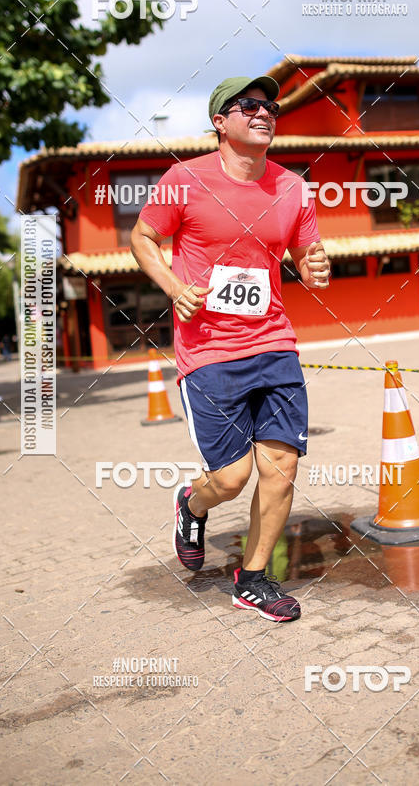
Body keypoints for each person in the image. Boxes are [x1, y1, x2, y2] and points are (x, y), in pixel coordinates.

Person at [131, 75, 330, 623]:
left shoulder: (293, 187)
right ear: (221, 121)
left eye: (271, 106)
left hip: (274, 343)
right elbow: (142, 238)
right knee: (233, 477)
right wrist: (175, 288)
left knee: (281, 466)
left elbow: (308, 257)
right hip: (209, 353)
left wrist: (315, 267)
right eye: (250, 106)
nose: (264, 112)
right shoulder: (185, 179)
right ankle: (191, 505)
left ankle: (255, 578)